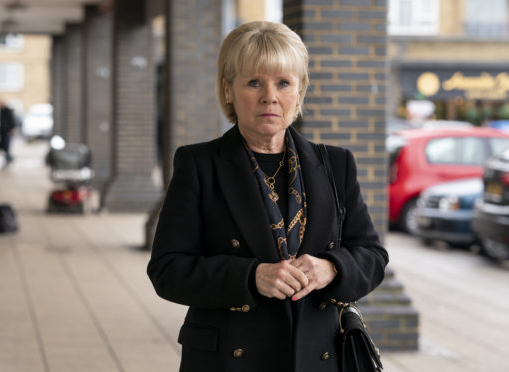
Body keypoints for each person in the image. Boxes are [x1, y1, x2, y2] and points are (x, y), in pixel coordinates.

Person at [147, 21, 388, 372]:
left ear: (300, 90)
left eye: (283, 83)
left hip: (318, 358)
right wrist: (251, 276)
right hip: (230, 360)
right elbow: (167, 269)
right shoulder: (199, 164)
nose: (269, 96)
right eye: (254, 82)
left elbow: (373, 256)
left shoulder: (336, 164)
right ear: (228, 90)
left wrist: (332, 268)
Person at [0, 99, 16, 166]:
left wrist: (11, 129)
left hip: (7, 132)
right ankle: (8, 158)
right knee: (4, 147)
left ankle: (8, 158)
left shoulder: (8, 111)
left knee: (6, 147)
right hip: (2, 132)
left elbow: (12, 121)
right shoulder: (1, 111)